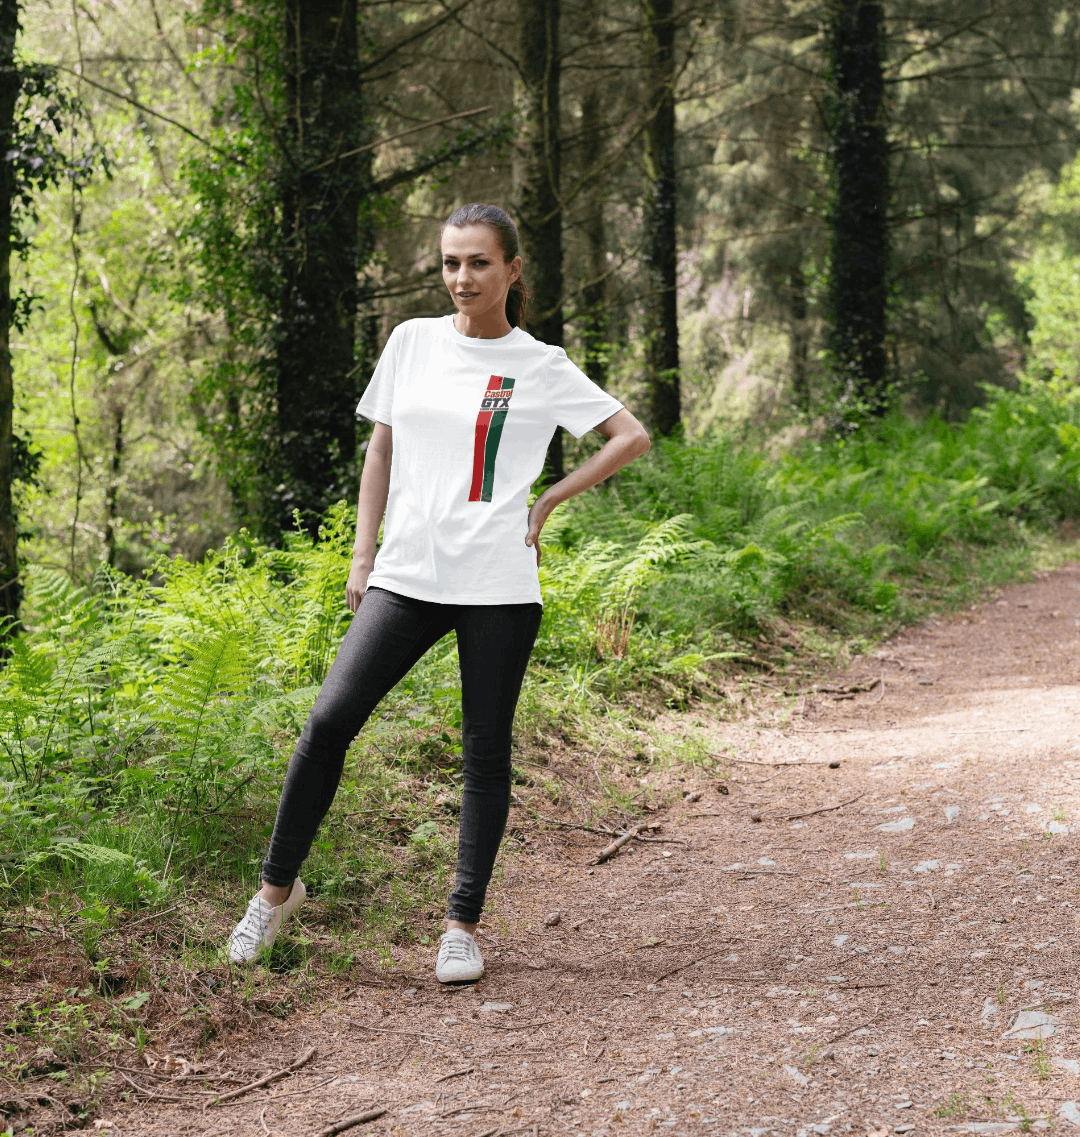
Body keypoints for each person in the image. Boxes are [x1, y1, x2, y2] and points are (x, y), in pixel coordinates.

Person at [227, 202, 651, 982]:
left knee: (484, 754)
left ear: (512, 270)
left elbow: (631, 435)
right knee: (327, 723)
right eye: (452, 263)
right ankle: (273, 896)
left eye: (479, 263)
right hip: (406, 574)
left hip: (496, 581)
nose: (463, 277)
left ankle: (461, 925)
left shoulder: (540, 363)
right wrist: (363, 556)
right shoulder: (411, 341)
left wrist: (553, 497)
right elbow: (380, 449)